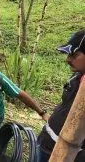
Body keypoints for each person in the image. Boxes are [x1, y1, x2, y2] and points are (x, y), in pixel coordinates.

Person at [37, 30, 85, 162]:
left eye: (74, 55)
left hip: (70, 155)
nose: (67, 59)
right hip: (47, 144)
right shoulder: (77, 77)